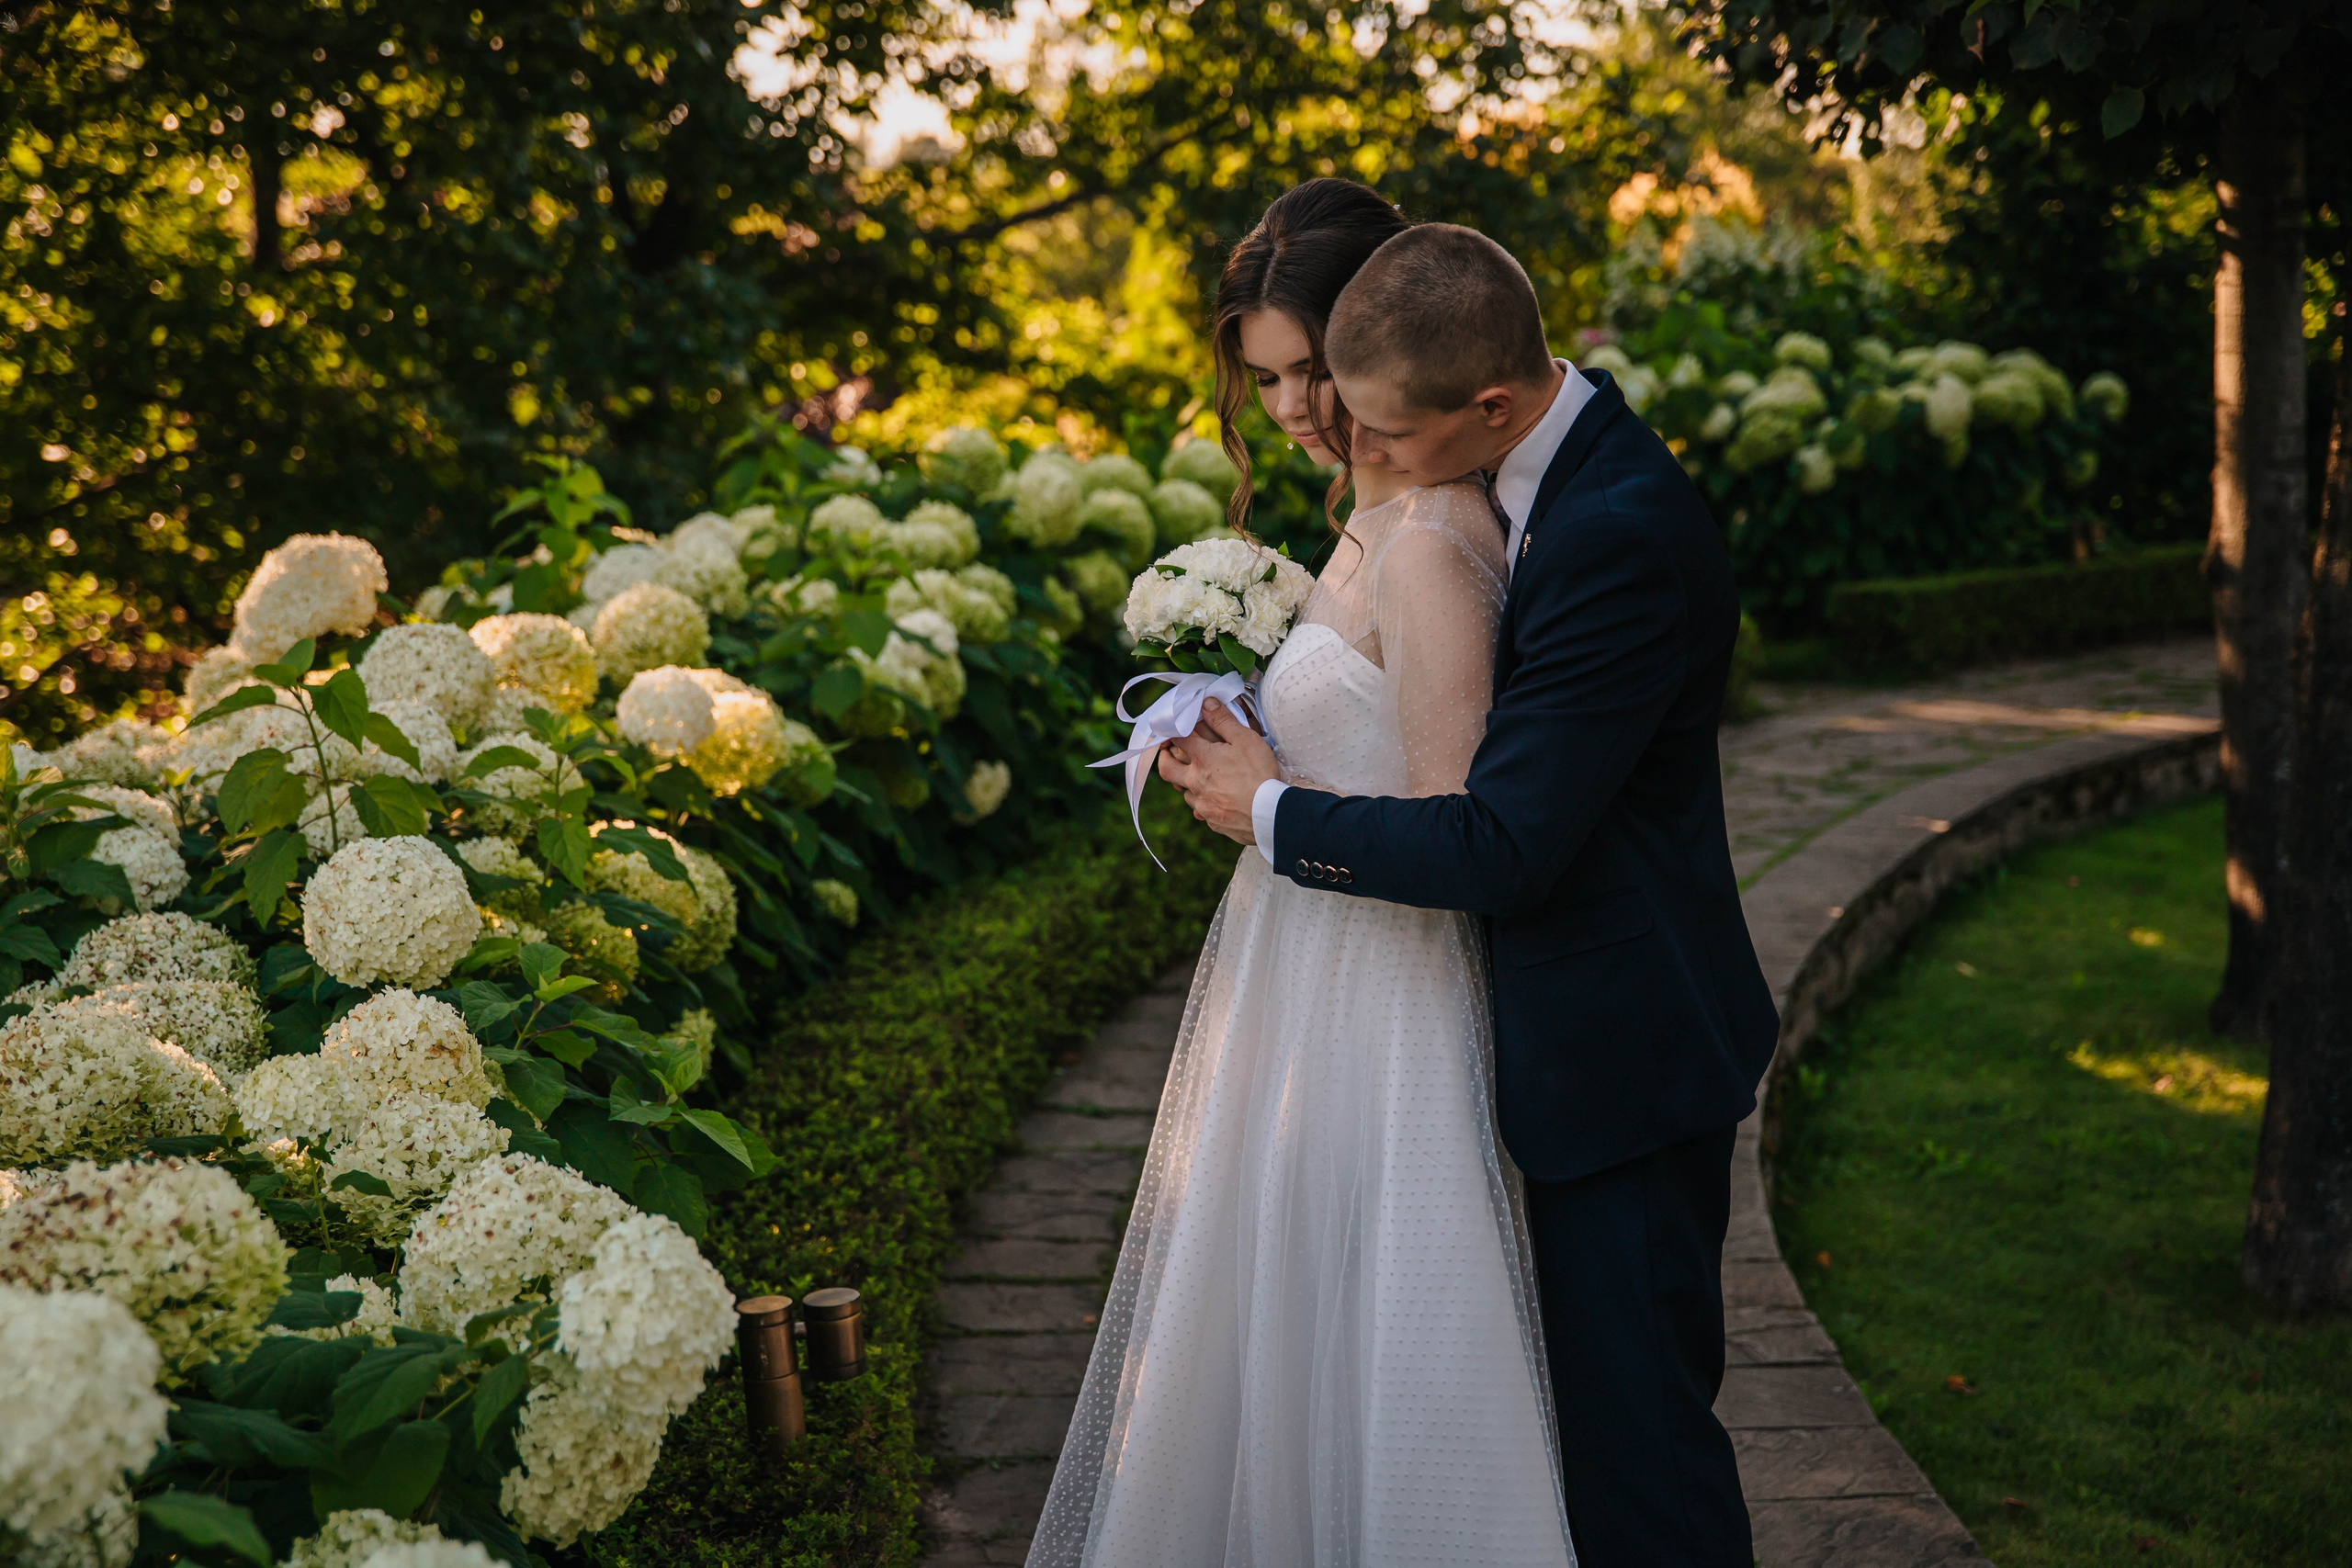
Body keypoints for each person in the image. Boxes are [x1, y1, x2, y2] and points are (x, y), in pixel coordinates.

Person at [1158, 222, 1780, 1565]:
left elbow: (1502, 843)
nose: (1351, 446)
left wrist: (1268, 808)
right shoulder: (1520, 471)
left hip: (1620, 1057)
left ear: (1487, 407)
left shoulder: (1611, 531)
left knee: (1643, 1469)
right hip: (1541, 1034)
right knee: (1571, 1454)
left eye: (1378, 427)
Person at [1028, 180, 1578, 1566]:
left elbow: (1459, 830)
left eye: (1305, 372)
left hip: (1382, 1006)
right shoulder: (1362, 522)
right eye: (1263, 377)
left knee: (1368, 1350)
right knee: (1272, 1347)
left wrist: (1270, 798)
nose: (1285, 408)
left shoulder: (1436, 550)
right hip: (1297, 983)